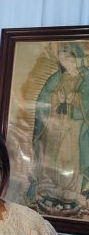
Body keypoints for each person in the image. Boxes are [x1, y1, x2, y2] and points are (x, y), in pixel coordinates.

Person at [30, 42, 89, 215]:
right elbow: (42, 100)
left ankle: (71, 191)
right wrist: (55, 98)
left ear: (77, 58)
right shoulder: (55, 79)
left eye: (69, 57)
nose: (66, 61)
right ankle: (48, 187)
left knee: (68, 156)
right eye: (62, 58)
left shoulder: (86, 78)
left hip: (75, 126)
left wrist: (75, 100)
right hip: (53, 124)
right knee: (51, 155)